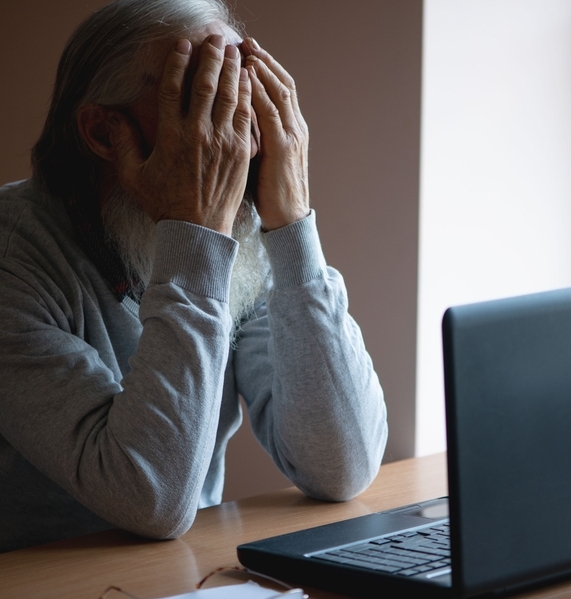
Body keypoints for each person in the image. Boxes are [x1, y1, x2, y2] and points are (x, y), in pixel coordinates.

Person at [0, 0, 387, 553]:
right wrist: (193, 235)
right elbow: (149, 498)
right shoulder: (12, 255)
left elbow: (340, 465)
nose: (242, 139)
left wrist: (293, 225)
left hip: (182, 590)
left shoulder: (234, 226)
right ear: (105, 134)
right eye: (202, 96)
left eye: (241, 87)